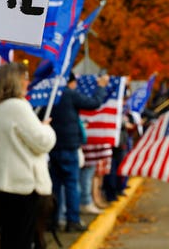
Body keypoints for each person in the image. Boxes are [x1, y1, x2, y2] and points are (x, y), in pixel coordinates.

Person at [0, 62, 56, 249]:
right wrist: (46, 128)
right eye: (25, 78)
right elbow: (42, 142)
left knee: (10, 237)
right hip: (21, 185)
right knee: (19, 239)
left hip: (1, 183)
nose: (28, 82)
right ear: (15, 81)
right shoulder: (17, 106)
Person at [47, 72, 109, 232]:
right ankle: (72, 221)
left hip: (52, 145)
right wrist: (101, 87)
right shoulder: (69, 94)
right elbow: (94, 103)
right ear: (71, 82)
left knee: (55, 185)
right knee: (71, 184)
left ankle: (54, 220)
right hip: (69, 146)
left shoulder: (48, 93)